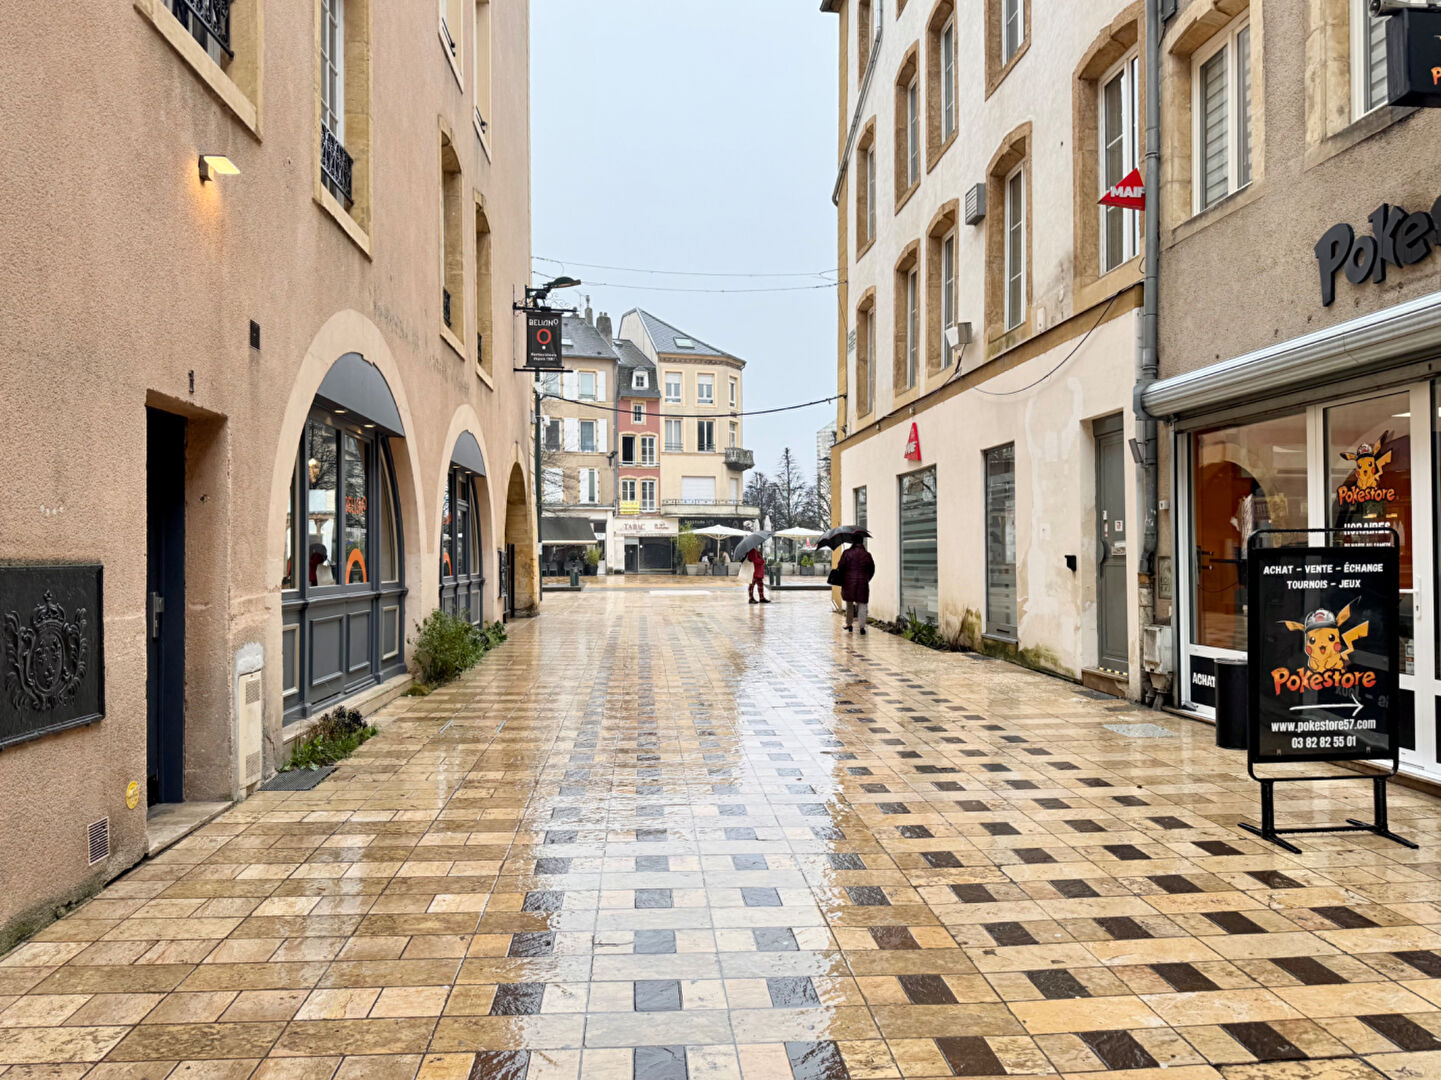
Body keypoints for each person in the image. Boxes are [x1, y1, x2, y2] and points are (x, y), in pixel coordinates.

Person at [838, 537, 875, 633]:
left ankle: (849, 624)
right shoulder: (867, 555)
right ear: (862, 542)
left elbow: (840, 567)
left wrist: (843, 578)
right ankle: (862, 628)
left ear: (853, 542)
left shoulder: (847, 553)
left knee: (849, 604)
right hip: (863, 583)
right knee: (862, 604)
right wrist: (866, 579)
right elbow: (872, 569)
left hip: (848, 582)